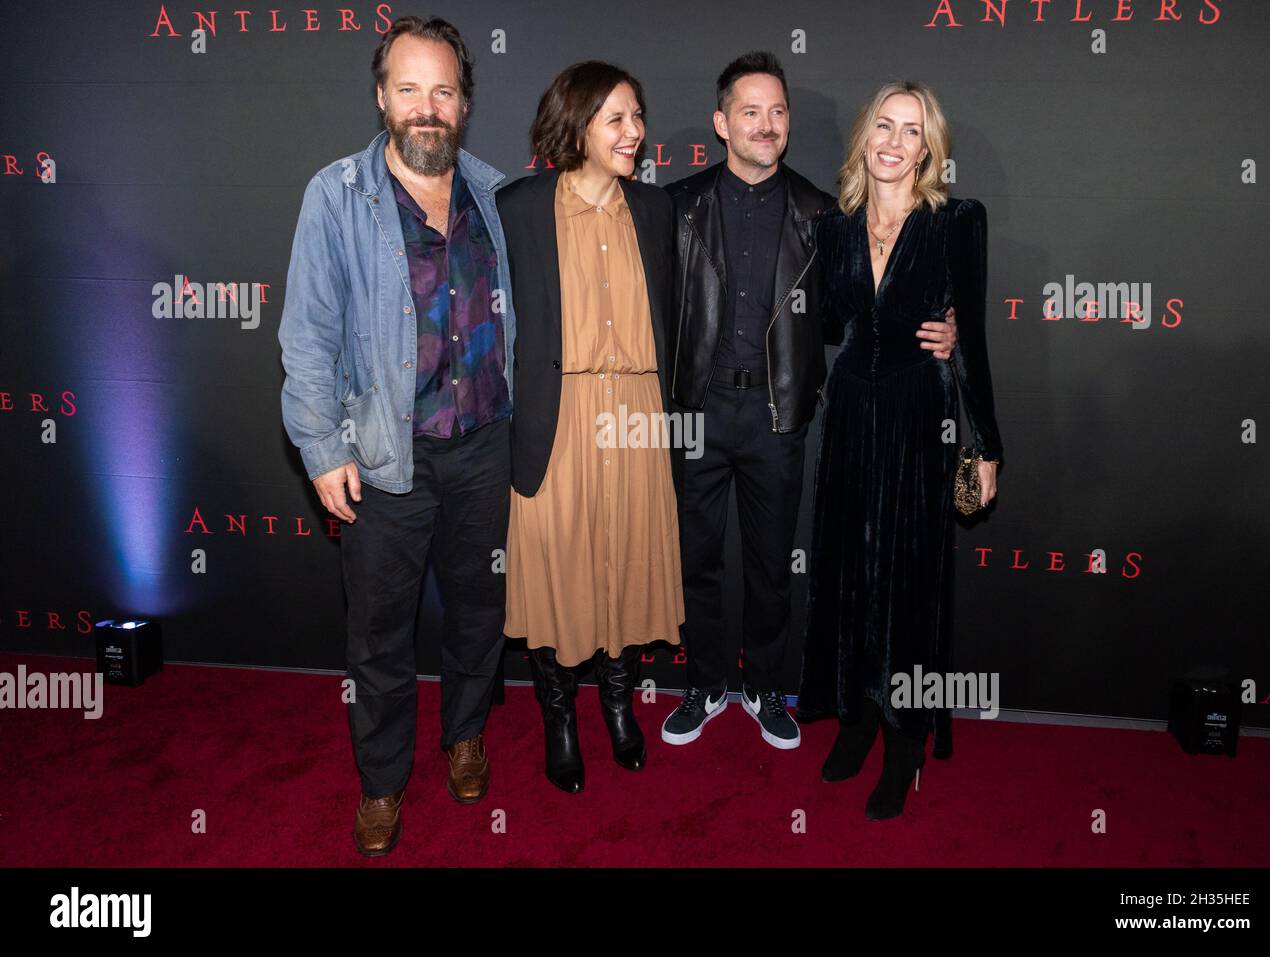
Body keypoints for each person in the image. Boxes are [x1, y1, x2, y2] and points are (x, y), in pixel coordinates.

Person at [661, 54, 957, 752]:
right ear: (721, 122)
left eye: (777, 112)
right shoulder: (677, 206)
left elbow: (859, 316)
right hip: (695, 411)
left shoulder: (822, 215)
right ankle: (704, 684)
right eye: (751, 111)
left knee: (771, 563)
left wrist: (936, 331)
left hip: (778, 415)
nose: (767, 125)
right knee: (695, 558)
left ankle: (764, 687)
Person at [279, 16, 515, 856]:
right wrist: (322, 446)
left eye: (442, 90)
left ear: (464, 101)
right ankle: (381, 782)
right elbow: (306, 335)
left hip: (487, 446)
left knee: (480, 611)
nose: (426, 107)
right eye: (408, 88)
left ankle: (465, 734)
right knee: (378, 634)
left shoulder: (494, 193)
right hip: (384, 459)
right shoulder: (335, 195)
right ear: (382, 96)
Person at [795, 81, 1004, 820]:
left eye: (910, 131)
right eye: (883, 125)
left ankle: (903, 739)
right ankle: (854, 719)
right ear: (865, 136)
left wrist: (986, 443)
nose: (893, 141)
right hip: (850, 412)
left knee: (908, 582)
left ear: (928, 149)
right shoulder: (836, 226)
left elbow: (970, 339)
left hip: (922, 417)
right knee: (850, 572)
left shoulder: (956, 223)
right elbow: (824, 322)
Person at [496, 62, 683, 794]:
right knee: (558, 572)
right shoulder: (516, 207)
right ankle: (559, 718)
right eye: (616, 118)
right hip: (556, 416)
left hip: (637, 418)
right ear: (575, 124)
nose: (634, 132)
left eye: (637, 116)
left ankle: (617, 705)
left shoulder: (656, 210)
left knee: (626, 565)